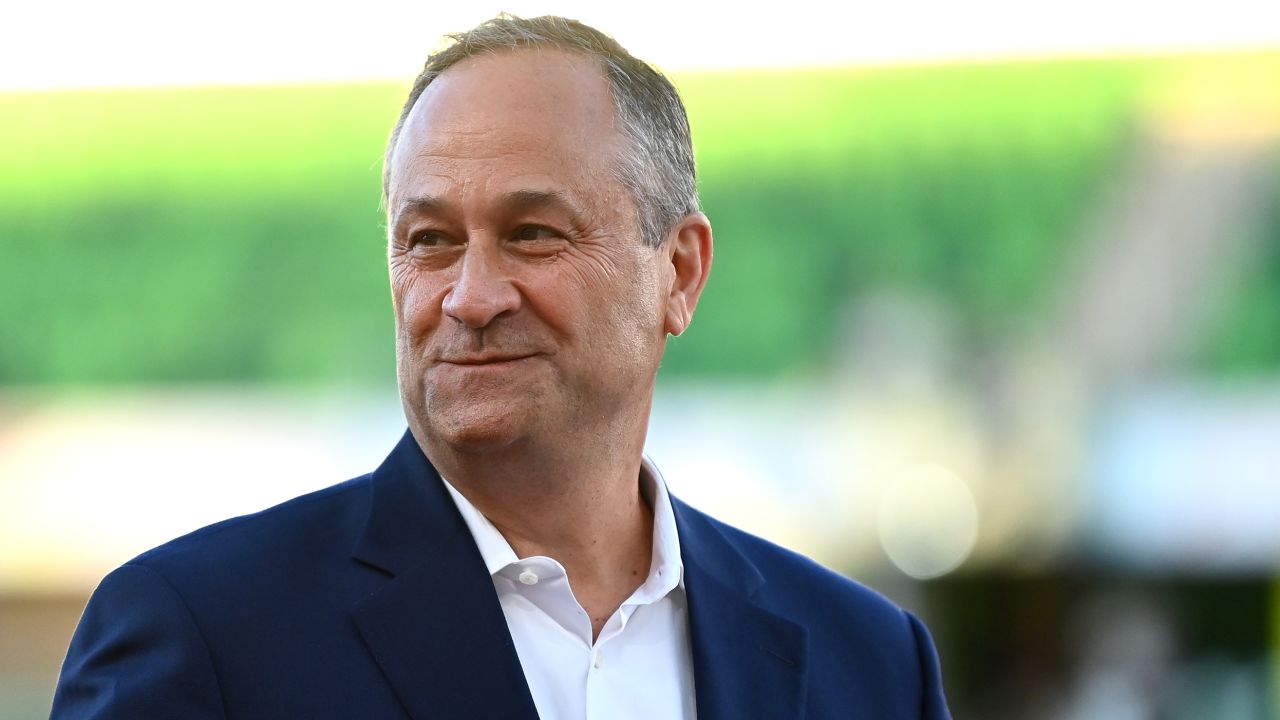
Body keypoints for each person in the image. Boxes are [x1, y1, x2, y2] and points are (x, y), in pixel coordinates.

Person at [52, 15, 950, 720]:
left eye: (532, 234)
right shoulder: (203, 635)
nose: (470, 296)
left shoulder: (868, 663)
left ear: (678, 272)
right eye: (431, 241)